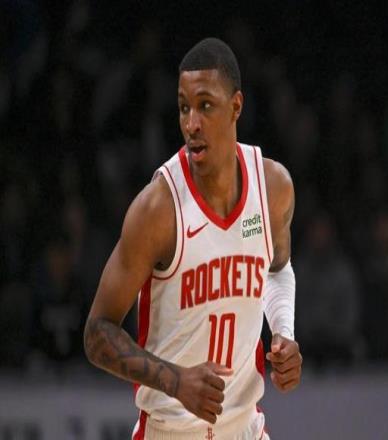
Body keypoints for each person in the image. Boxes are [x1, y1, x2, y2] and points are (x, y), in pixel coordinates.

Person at [84, 37, 302, 440]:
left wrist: (283, 332)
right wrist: (175, 381)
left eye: (205, 106)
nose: (191, 124)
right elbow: (97, 333)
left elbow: (277, 270)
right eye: (184, 107)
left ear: (236, 106)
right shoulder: (158, 208)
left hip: (244, 428)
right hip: (170, 431)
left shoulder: (272, 187)